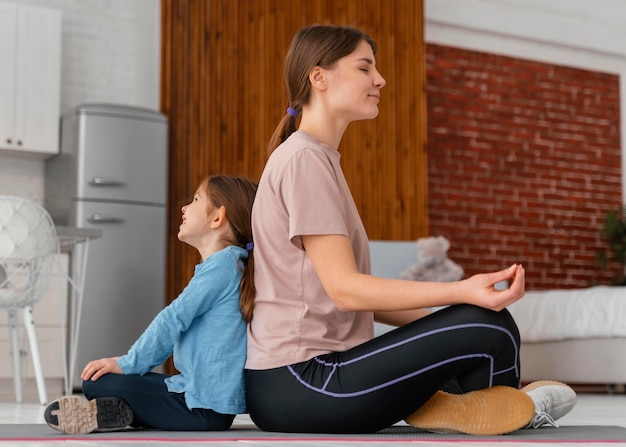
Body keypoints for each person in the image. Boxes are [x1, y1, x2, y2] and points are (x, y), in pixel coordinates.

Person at [245, 24, 577, 435]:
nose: (380, 79)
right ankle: (513, 409)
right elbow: (346, 291)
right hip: (302, 383)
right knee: (489, 328)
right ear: (319, 77)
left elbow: (350, 297)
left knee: (482, 325)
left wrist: (442, 329)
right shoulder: (303, 160)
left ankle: (470, 406)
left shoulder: (317, 158)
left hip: (306, 383)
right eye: (365, 68)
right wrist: (461, 294)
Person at [44, 174, 257, 434]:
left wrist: (128, 363)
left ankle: (123, 411)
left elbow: (172, 319)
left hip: (199, 409)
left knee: (98, 382)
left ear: (217, 218)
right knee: (104, 380)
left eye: (195, 199)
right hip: (201, 402)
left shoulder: (222, 266)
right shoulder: (232, 264)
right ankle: (121, 412)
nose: (184, 207)